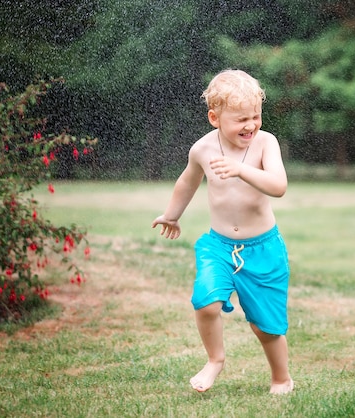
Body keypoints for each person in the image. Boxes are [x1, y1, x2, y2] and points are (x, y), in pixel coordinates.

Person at [151, 69, 293, 395]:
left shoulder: (264, 143)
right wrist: (172, 215)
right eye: (241, 119)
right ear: (215, 118)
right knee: (205, 302)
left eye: (255, 116)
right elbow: (187, 181)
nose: (250, 125)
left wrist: (242, 169)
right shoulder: (202, 149)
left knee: (265, 326)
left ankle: (281, 378)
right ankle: (215, 360)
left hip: (263, 248)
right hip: (219, 245)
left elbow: (279, 186)